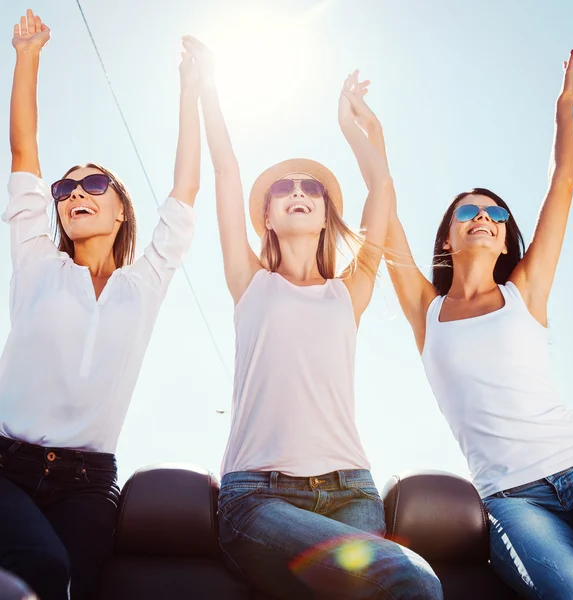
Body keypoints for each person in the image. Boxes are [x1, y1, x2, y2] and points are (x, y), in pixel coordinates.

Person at [185, 34, 443, 600]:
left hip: (352, 491)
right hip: (257, 496)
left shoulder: (348, 293)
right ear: (268, 217)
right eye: (284, 189)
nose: (299, 192)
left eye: (312, 188)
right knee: (407, 577)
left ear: (326, 213)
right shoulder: (250, 282)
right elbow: (228, 174)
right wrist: (207, 90)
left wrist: (352, 127)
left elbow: (381, 189)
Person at [384, 50, 573, 598]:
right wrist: (371, 140)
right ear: (447, 238)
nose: (484, 217)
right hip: (514, 498)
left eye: (496, 214)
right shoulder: (425, 310)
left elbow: (565, 183)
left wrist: (566, 109)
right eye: (468, 212)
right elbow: (384, 219)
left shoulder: (525, 291)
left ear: (505, 237)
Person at [0, 10, 201, 600]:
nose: (74, 195)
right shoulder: (37, 261)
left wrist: (191, 91)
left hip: (87, 484)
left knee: (76, 585)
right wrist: (28, 57)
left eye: (94, 186)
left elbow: (184, 192)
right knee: (42, 567)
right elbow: (23, 154)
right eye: (65, 189)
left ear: (121, 210)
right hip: (5, 468)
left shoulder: (146, 282)